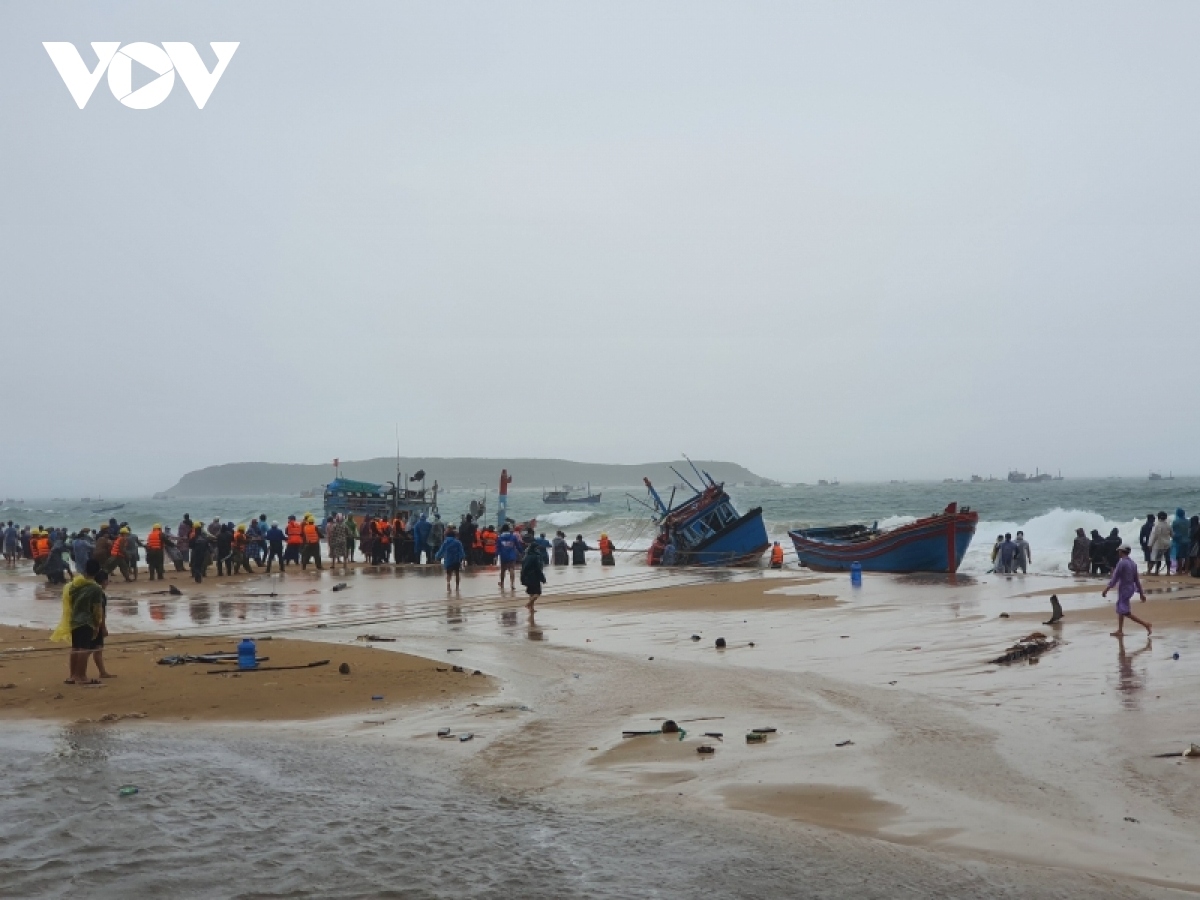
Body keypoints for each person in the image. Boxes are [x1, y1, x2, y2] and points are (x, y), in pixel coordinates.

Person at [1101, 544, 1151, 637]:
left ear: (1122, 551)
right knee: (1121, 609)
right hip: (1130, 589)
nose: (1118, 553)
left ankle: (1145, 624)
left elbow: (1115, 578)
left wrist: (1106, 589)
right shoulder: (1133, 563)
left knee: (1125, 612)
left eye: (1119, 551)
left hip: (1124, 589)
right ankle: (1120, 630)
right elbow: (1136, 580)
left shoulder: (1122, 563)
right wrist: (1141, 593)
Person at [436, 526, 466, 591]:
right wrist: (463, 558)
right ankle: (457, 587)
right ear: (454, 536)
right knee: (457, 573)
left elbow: (441, 551)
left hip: (448, 560)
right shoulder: (458, 542)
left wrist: (437, 556)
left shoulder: (445, 542)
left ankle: (448, 585)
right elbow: (461, 551)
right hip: (456, 560)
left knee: (449, 574)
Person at [520, 536, 546, 611]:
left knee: (531, 593)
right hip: (534, 577)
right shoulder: (535, 557)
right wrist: (543, 578)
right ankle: (528, 604)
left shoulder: (525, 556)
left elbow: (523, 568)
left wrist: (522, 577)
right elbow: (538, 569)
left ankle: (531, 608)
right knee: (538, 593)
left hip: (526, 577)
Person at [496, 524, 522, 589]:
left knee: (503, 570)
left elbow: (497, 548)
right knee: (512, 569)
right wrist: (522, 552)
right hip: (511, 555)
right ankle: (512, 584)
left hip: (503, 555)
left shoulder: (499, 538)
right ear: (508, 529)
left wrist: (496, 555)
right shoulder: (513, 537)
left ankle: (502, 583)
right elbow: (518, 546)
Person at [1148, 511, 1172, 575]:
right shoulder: (1168, 525)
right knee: (1167, 558)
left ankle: (1156, 571)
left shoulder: (1156, 526)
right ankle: (1168, 571)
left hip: (1159, 544)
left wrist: (1150, 545)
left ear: (1158, 517)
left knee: (1158, 559)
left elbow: (1154, 536)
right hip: (1167, 544)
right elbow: (1172, 535)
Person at [1172, 508, 1190, 574]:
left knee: (1179, 556)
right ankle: (1186, 570)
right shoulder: (1188, 521)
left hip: (1179, 541)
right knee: (1187, 556)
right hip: (1188, 540)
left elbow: (1173, 531)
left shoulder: (1176, 522)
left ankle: (1179, 570)